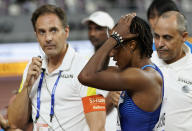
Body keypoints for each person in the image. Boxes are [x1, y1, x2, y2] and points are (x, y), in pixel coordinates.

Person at [7, 4, 108, 131]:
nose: (48, 38)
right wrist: (27, 85)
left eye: (53, 30)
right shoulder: (32, 68)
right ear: (36, 35)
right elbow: (14, 123)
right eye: (42, 32)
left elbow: (97, 127)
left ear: (66, 32)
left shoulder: (85, 69)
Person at [78, 13, 164, 131]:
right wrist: (114, 38)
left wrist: (113, 38)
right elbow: (96, 71)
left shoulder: (142, 77)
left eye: (116, 46)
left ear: (132, 45)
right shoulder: (138, 72)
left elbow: (86, 76)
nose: (112, 53)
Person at [152, 11, 192, 131]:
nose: (159, 44)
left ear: (184, 37)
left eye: (167, 37)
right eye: (156, 36)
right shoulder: (144, 61)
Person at [82, 11, 119, 131]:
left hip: (110, 126)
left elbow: (110, 101)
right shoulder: (84, 61)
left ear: (111, 31)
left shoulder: (119, 61)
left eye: (98, 29)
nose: (92, 33)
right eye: (90, 29)